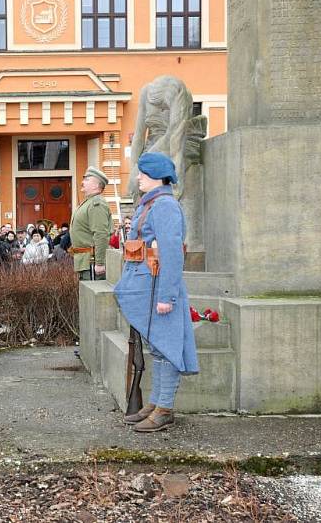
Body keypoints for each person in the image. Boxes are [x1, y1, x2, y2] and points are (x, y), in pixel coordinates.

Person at [114, 152, 199, 433]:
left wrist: (167, 297)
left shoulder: (164, 206)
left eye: (143, 173)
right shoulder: (151, 204)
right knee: (158, 349)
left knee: (167, 348)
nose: (138, 177)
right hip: (147, 285)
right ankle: (155, 402)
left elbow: (172, 254)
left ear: (157, 176)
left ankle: (164, 409)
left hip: (158, 287)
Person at [69, 167, 112, 280]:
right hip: (85, 261)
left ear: (96, 185)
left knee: (93, 296)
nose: (82, 182)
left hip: (92, 262)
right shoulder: (89, 202)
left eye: (87, 179)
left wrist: (100, 262)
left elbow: (101, 234)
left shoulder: (96, 204)